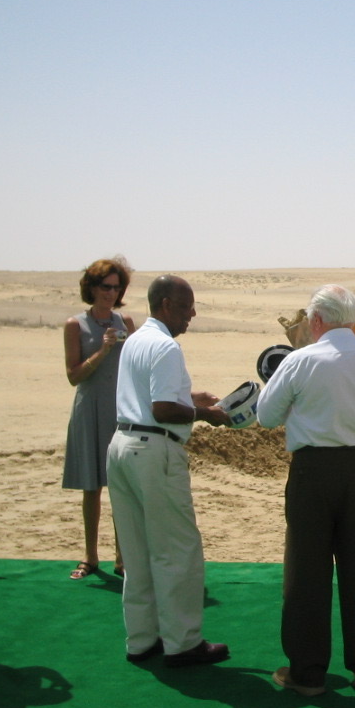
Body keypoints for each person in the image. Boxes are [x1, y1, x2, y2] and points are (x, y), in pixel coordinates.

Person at [256, 284, 355, 696]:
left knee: (306, 571)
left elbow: (266, 415)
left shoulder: (300, 361)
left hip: (313, 471)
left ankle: (307, 674)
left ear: (316, 321)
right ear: (353, 319)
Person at [107, 275, 231, 667]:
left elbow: (148, 396)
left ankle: (141, 639)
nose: (192, 314)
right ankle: (183, 642)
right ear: (164, 305)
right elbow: (162, 410)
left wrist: (187, 397)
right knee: (177, 549)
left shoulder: (135, 341)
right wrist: (205, 414)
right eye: (184, 306)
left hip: (122, 446)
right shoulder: (165, 347)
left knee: (137, 549)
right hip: (154, 450)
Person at [62, 257, 136, 580]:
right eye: (106, 286)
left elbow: (135, 366)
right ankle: (91, 557)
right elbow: (74, 375)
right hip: (89, 409)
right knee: (91, 487)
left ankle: (124, 559)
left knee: (122, 485)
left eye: (116, 287)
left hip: (120, 411)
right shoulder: (75, 325)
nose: (111, 293)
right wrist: (102, 351)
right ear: (91, 287)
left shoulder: (126, 322)